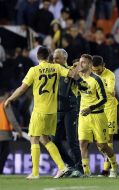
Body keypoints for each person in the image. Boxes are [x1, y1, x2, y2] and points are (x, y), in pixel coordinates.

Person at [4, 46, 77, 179]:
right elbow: (74, 75)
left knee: (34, 139)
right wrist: (73, 67)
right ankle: (62, 167)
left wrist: (10, 98)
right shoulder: (57, 67)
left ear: (37, 57)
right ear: (49, 56)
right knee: (45, 139)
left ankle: (35, 172)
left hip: (39, 110)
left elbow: (22, 89)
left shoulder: (34, 70)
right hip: (53, 111)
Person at [75, 54, 119, 177]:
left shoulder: (97, 80)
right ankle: (86, 172)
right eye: (80, 62)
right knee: (82, 143)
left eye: (83, 62)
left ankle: (114, 165)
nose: (80, 65)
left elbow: (104, 99)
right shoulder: (79, 77)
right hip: (83, 116)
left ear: (89, 65)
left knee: (102, 145)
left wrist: (91, 108)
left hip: (98, 115)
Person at [51, 49, 83, 177]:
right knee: (54, 140)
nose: (54, 61)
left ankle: (79, 168)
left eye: (57, 58)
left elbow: (81, 83)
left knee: (71, 140)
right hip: (56, 110)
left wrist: (77, 74)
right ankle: (69, 165)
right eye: (53, 58)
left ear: (64, 58)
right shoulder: (52, 71)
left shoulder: (71, 71)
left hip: (70, 108)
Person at [91, 55, 118, 177]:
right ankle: (109, 164)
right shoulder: (90, 73)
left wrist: (98, 86)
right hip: (96, 109)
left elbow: (112, 91)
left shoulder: (110, 75)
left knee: (108, 139)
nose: (96, 72)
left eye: (98, 70)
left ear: (103, 65)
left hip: (109, 108)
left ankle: (107, 169)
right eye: (94, 70)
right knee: (99, 142)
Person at [0, 89, 22, 174]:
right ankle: (0, 172)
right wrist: (19, 131)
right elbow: (12, 119)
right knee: (3, 154)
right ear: (5, 95)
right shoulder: (5, 103)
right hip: (4, 134)